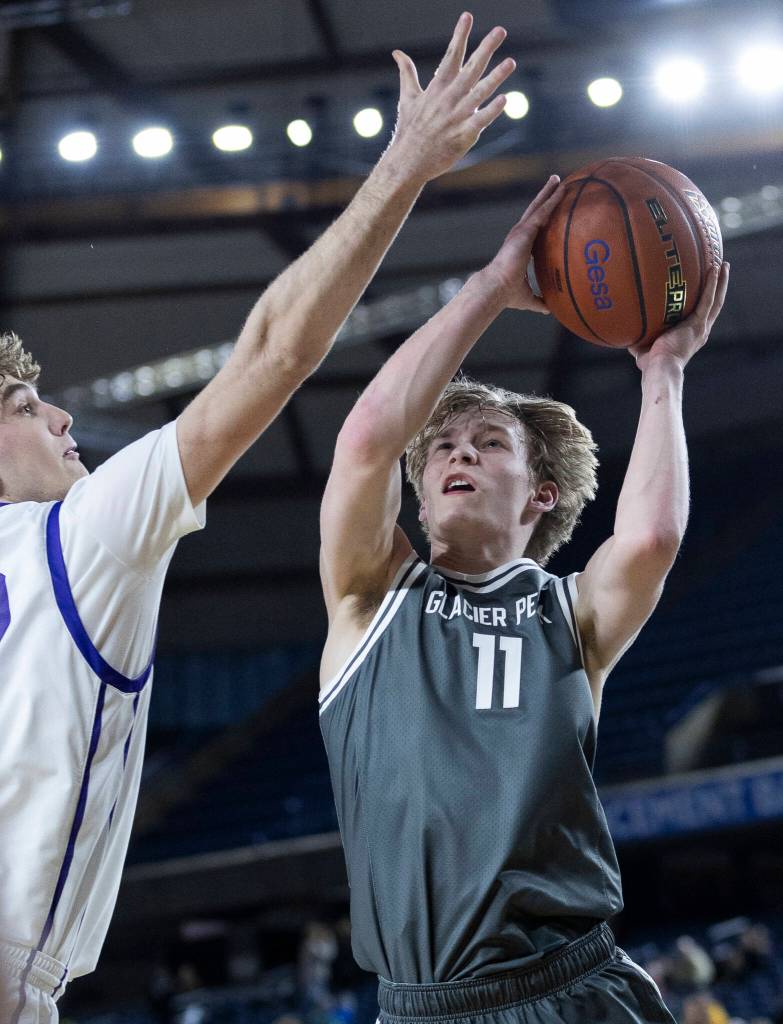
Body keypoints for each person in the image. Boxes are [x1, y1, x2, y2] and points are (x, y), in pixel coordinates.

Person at [0, 13, 516, 1021]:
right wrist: (403, 169)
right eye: (22, 408)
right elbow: (273, 352)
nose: (60, 414)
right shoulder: (79, 539)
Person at [318, 172, 730, 1024]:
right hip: (421, 1006)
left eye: (488, 442)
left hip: (570, 986)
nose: (455, 453)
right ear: (420, 496)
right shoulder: (369, 597)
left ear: (540, 493)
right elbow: (365, 440)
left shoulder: (568, 617)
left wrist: (663, 374)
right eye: (440, 449)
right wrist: (494, 288)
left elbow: (650, 541)